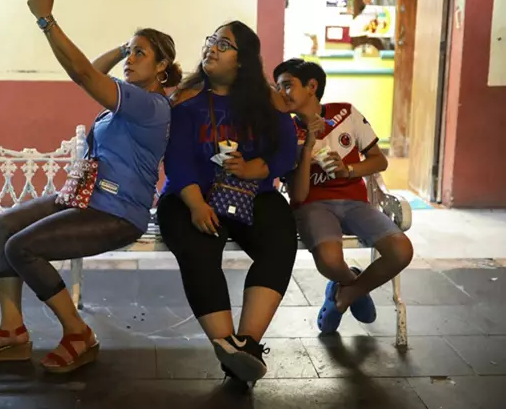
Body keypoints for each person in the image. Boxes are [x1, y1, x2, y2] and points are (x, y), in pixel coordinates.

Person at [0, 0, 180, 374]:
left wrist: (46, 20)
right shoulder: (123, 101)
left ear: (162, 66)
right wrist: (125, 47)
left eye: (141, 53)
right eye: (129, 52)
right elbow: (89, 73)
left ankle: (78, 333)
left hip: (117, 212)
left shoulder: (149, 105)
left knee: (21, 247)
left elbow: (83, 73)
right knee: (4, 225)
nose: (130, 59)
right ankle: (12, 331)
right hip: (87, 198)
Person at [157, 21, 299, 384]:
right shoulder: (186, 100)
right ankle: (230, 350)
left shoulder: (268, 101)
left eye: (224, 44)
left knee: (280, 237)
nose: (212, 49)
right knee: (198, 247)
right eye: (212, 41)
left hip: (251, 193)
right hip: (189, 197)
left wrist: (257, 168)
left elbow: (286, 151)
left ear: (243, 59)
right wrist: (195, 204)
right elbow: (176, 159)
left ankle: (245, 345)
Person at [273, 58, 413, 334]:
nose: (281, 93)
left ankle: (345, 295)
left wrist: (348, 170)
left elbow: (379, 161)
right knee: (330, 261)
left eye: (287, 85)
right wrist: (307, 147)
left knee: (401, 251)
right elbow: (299, 196)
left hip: (355, 202)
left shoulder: (345, 113)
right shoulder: (284, 130)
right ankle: (352, 283)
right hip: (312, 205)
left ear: (311, 86)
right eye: (278, 88)